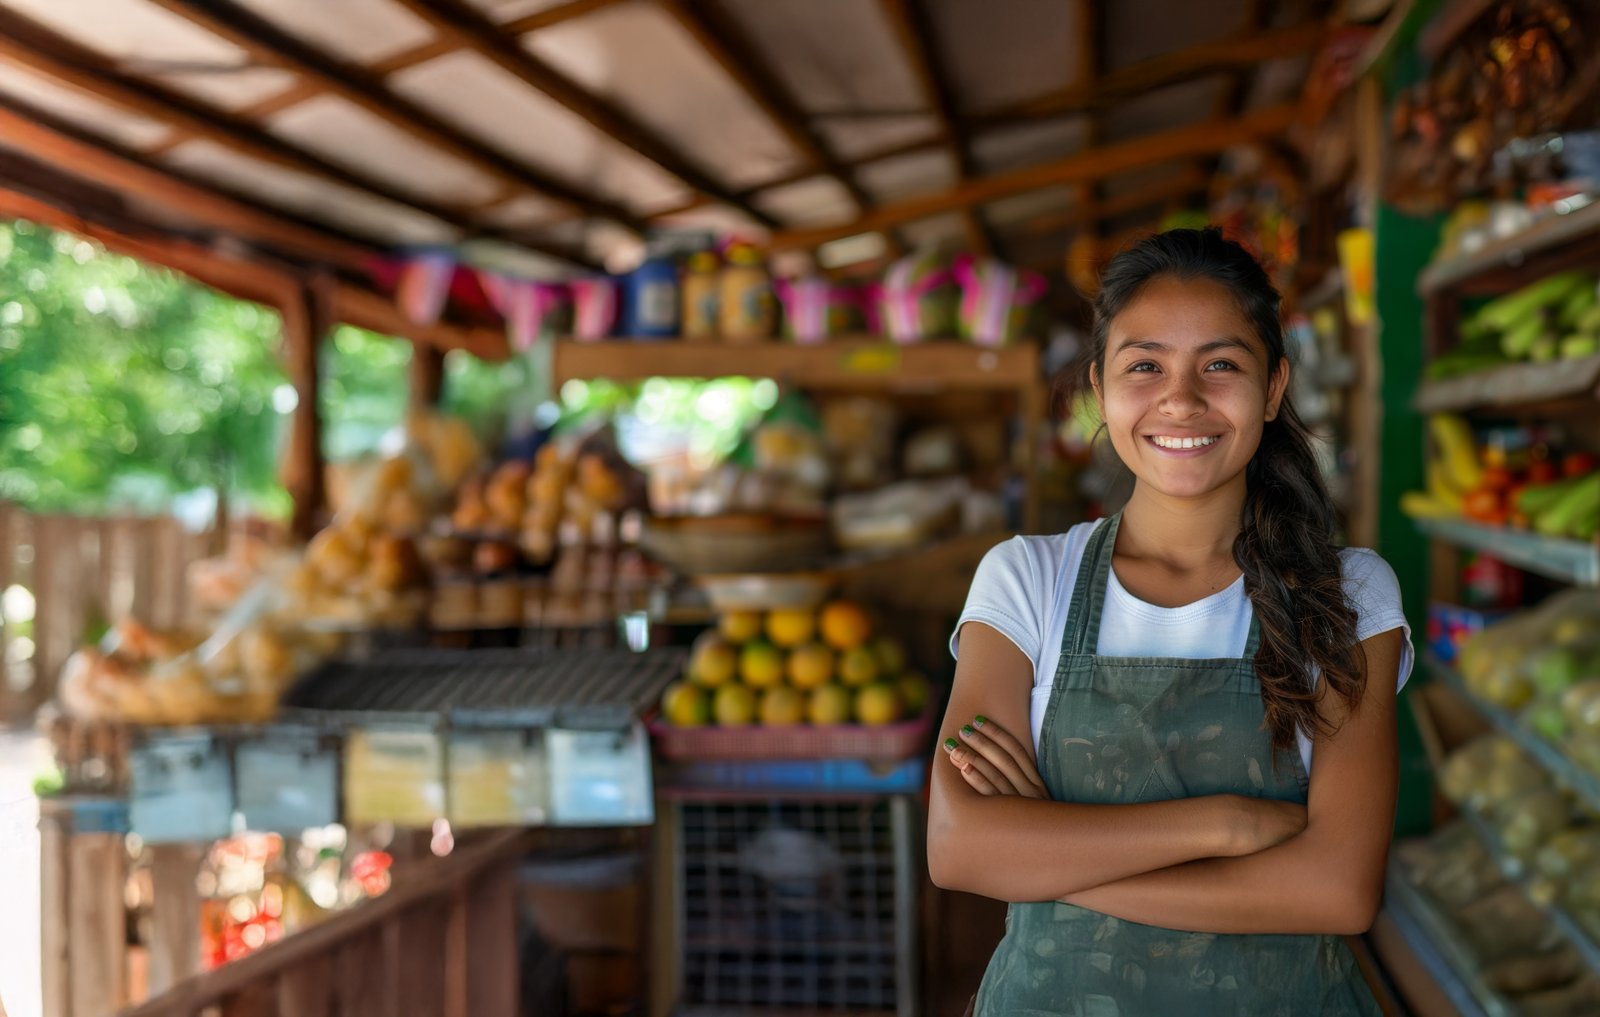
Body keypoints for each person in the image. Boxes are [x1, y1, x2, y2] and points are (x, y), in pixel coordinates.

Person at [927, 227, 1411, 1015]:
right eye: (1144, 365)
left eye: (1220, 365)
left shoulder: (1347, 593)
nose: (1181, 400)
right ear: (1099, 385)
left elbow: (1337, 889)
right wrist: (1229, 824)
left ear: (1275, 386)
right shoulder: (1028, 580)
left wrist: (1049, 853)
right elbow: (959, 848)